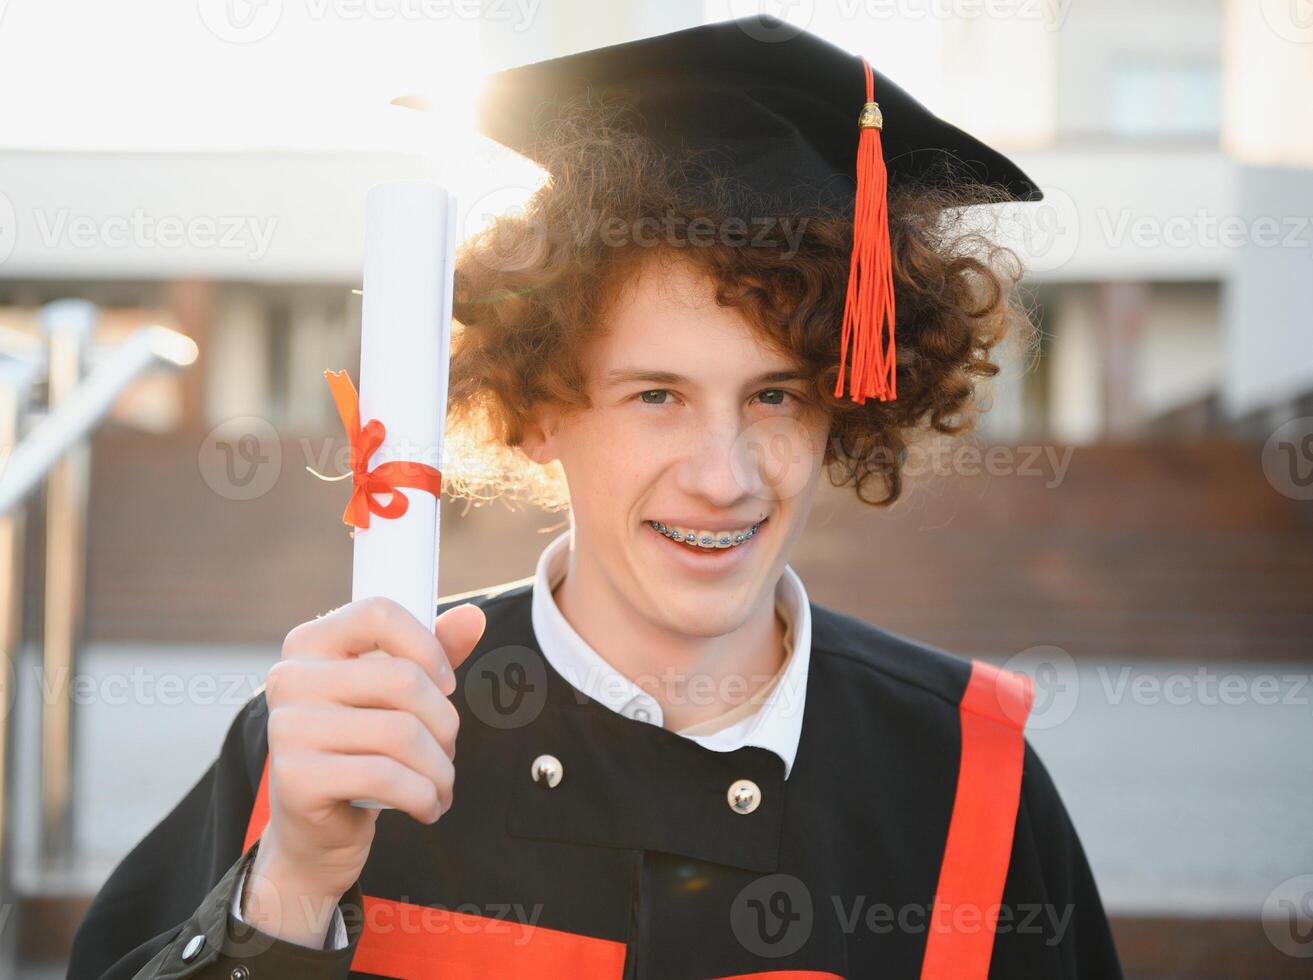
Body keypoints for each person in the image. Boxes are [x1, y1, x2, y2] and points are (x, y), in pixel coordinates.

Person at [67, 16, 1123, 979]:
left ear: (843, 408)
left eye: (775, 395)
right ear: (538, 408)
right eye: (655, 394)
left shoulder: (961, 773)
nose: (725, 473)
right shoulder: (353, 734)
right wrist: (290, 889)